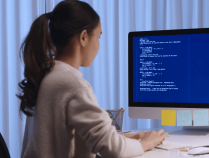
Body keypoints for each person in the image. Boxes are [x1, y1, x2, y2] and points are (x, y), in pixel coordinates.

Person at [17, 1, 169, 158]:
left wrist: (122, 139)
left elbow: (66, 137)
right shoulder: (71, 83)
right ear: (83, 37)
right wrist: (146, 144)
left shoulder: (46, 74)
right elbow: (112, 150)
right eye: (98, 36)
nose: (98, 44)